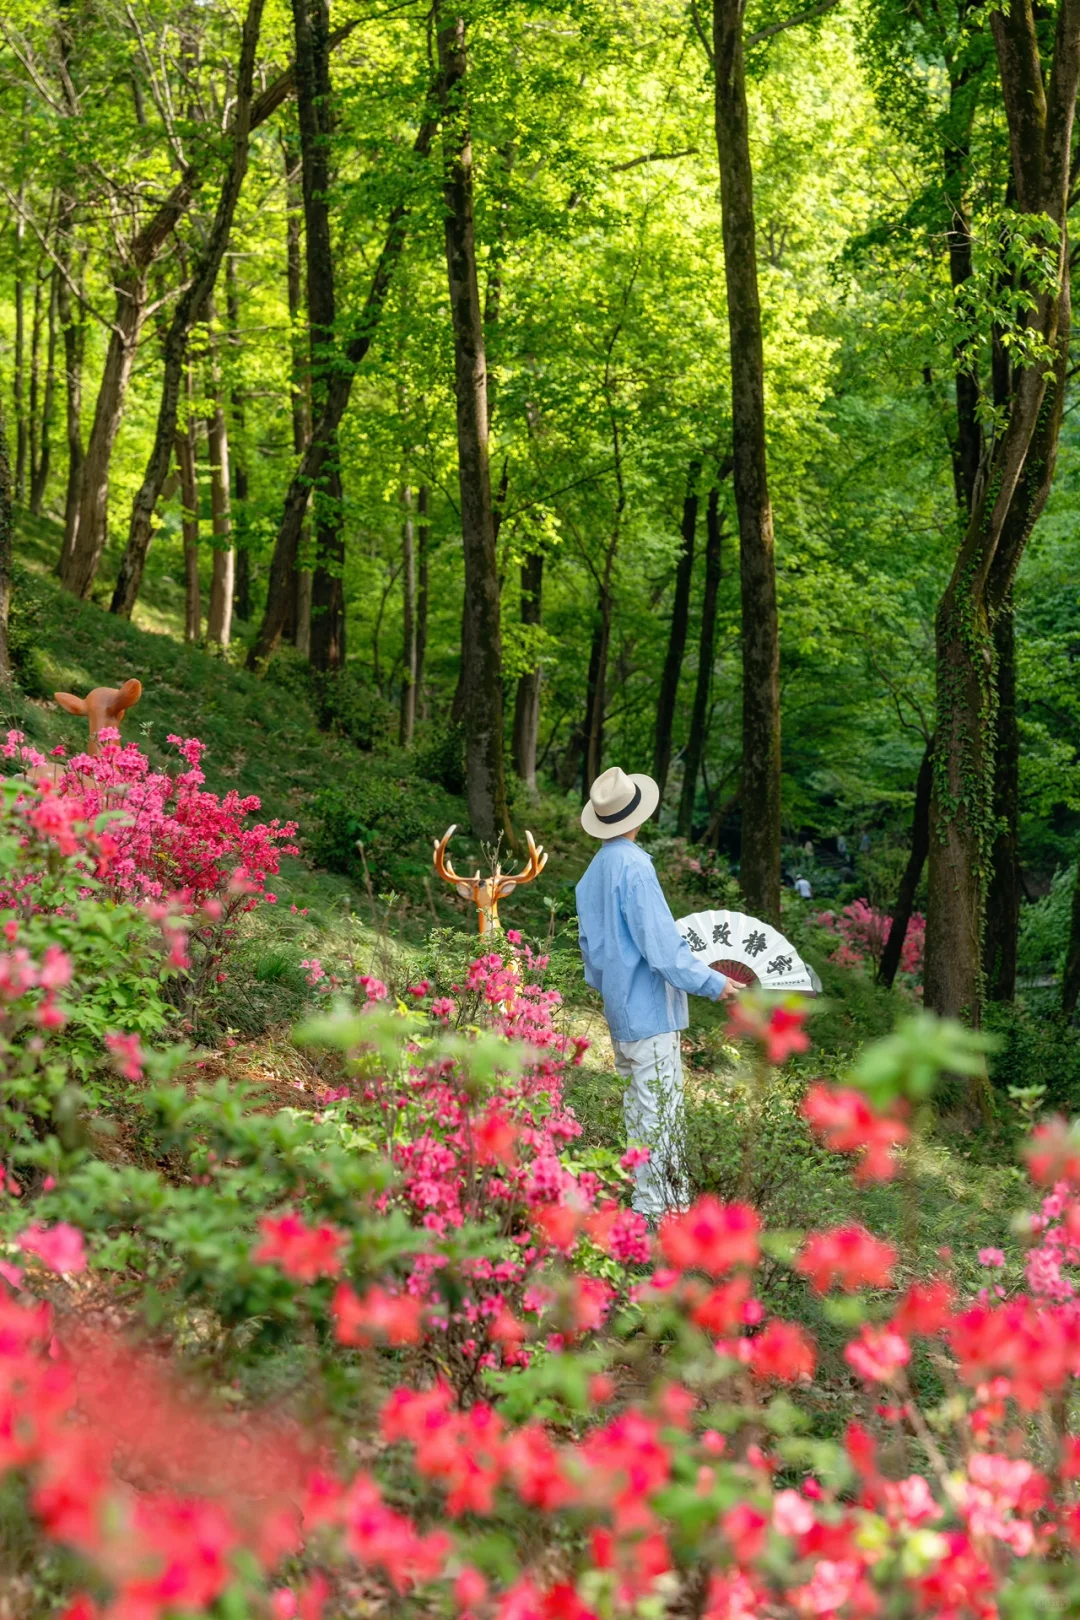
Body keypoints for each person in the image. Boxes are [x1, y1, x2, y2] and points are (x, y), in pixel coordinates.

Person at [576, 766, 739, 1219]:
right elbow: (663, 949)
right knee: (660, 1115)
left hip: (620, 1010)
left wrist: (612, 988)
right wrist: (714, 982)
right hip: (649, 1012)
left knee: (638, 1109)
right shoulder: (636, 867)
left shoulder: (592, 874)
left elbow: (591, 950)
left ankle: (651, 1206)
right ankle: (659, 1215)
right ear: (636, 816)